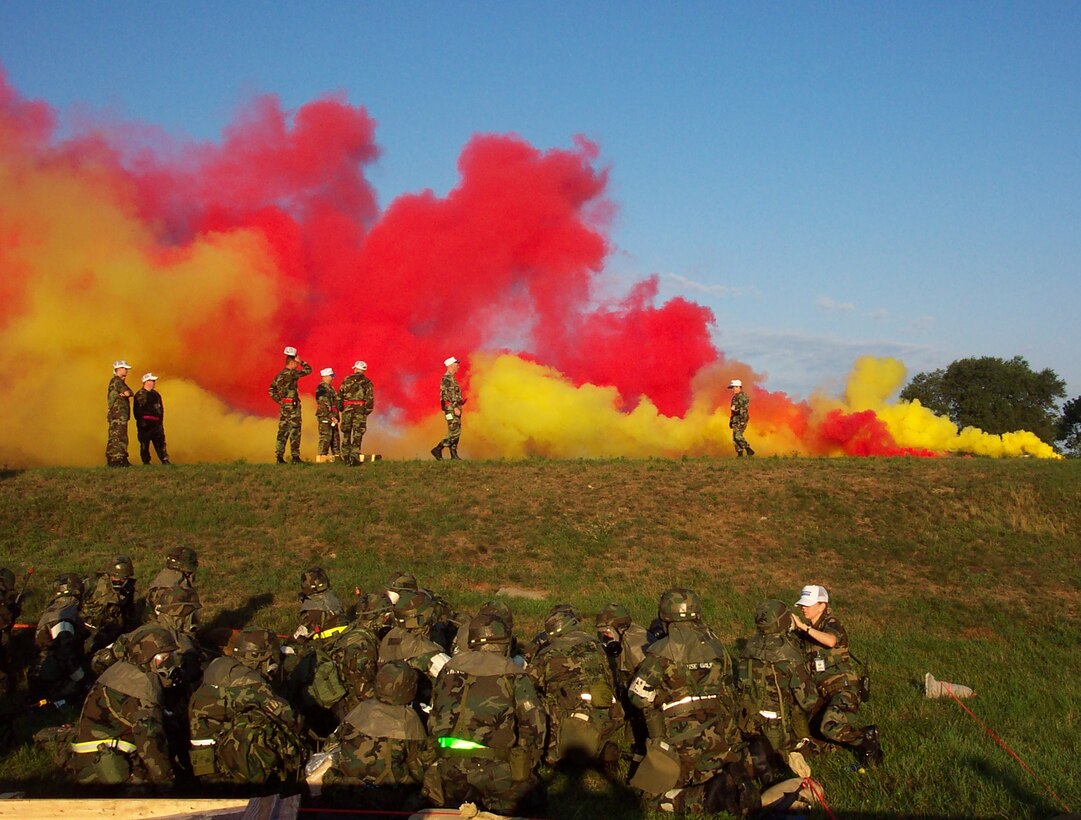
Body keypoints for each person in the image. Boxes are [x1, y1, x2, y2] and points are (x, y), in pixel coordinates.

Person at [627, 588, 756, 815]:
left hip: (681, 738)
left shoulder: (661, 653)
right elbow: (729, 689)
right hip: (719, 733)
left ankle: (714, 797)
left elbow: (637, 695)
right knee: (711, 768)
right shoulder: (717, 647)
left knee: (650, 800)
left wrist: (656, 729)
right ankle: (734, 777)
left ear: (665, 615)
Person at [421, 613, 547, 815]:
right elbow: (535, 724)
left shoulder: (448, 668)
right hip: (494, 770)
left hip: (446, 768)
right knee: (534, 796)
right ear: (503, 643)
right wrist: (526, 763)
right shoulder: (513, 673)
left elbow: (434, 713)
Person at [65, 624, 180, 785]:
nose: (170, 665)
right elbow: (150, 742)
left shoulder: (121, 668)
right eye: (164, 659)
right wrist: (166, 782)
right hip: (105, 767)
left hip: (91, 757)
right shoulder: (143, 686)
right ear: (148, 657)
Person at [188, 628, 302, 784]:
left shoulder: (219, 664)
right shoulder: (250, 681)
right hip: (225, 766)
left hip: (201, 760)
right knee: (262, 723)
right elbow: (287, 715)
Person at [316, 660, 433, 807]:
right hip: (387, 797)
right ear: (409, 688)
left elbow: (331, 743)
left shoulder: (361, 708)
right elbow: (418, 766)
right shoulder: (408, 719)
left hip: (347, 790)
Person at [790, 584, 881, 767]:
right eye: (802, 604)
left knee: (829, 726)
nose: (803, 608)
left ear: (822, 605)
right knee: (814, 739)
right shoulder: (807, 633)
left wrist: (803, 628)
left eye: (808, 604)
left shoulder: (831, 624)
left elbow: (831, 641)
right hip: (822, 694)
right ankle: (842, 747)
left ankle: (865, 738)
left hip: (844, 689)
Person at [529, 605, 624, 769]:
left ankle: (562, 753)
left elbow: (528, 683)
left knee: (536, 702)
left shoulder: (548, 654)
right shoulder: (597, 644)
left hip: (574, 719)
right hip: (610, 714)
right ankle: (601, 745)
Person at [736, 600, 818, 762]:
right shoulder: (789, 655)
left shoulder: (750, 647)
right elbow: (809, 700)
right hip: (779, 728)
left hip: (749, 720)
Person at [31, 573, 90, 703]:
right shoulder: (66, 616)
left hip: (39, 674)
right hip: (49, 679)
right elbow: (66, 655)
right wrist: (82, 680)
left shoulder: (51, 611)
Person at [82, 555, 139, 655]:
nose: (120, 581)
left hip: (112, 629)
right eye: (116, 577)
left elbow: (129, 610)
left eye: (123, 578)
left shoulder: (128, 588)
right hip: (87, 628)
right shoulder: (92, 583)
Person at [268, 345, 313, 464]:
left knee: (283, 431)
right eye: (296, 363)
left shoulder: (279, 375)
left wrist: (280, 400)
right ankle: (295, 456)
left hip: (284, 406)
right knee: (295, 430)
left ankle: (279, 456)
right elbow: (308, 370)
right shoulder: (292, 374)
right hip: (293, 407)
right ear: (292, 362)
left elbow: (271, 389)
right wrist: (302, 361)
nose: (297, 365)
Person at [338, 360, 374, 466]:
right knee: (358, 434)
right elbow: (370, 399)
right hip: (360, 410)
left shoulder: (346, 380)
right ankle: (354, 456)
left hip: (347, 409)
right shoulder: (367, 382)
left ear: (355, 369)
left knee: (346, 433)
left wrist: (342, 409)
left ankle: (345, 457)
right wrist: (365, 412)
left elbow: (339, 396)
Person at [132, 373, 170, 465]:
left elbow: (160, 409)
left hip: (156, 424)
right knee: (145, 444)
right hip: (145, 425)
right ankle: (146, 461)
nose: (154, 382)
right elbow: (137, 411)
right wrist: (142, 422)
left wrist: (160, 421)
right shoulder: (140, 394)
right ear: (146, 382)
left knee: (160, 443)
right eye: (152, 381)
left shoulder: (156, 394)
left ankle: (165, 460)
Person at [431, 356, 464, 460]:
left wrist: (460, 402)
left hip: (453, 407)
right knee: (455, 432)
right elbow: (449, 394)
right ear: (451, 365)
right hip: (451, 408)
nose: (458, 366)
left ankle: (453, 454)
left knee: (455, 430)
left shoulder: (451, 378)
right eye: (456, 364)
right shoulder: (447, 378)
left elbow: (452, 394)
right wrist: (455, 406)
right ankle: (438, 449)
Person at [106, 359, 134, 467]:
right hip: (118, 414)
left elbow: (129, 393)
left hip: (117, 414)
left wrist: (128, 393)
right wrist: (126, 393)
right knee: (119, 436)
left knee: (115, 436)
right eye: (124, 368)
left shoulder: (117, 381)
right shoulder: (117, 381)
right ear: (118, 369)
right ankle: (117, 459)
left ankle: (115, 458)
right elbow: (128, 392)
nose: (126, 371)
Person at [315, 368, 340, 462]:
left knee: (335, 438)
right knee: (326, 437)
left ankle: (337, 457)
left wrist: (336, 416)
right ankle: (322, 457)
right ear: (325, 376)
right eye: (330, 376)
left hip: (333, 417)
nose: (332, 378)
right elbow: (323, 404)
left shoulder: (331, 388)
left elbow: (335, 403)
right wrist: (331, 416)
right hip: (325, 417)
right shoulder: (321, 389)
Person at [728, 378, 755, 457]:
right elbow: (733, 410)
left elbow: (744, 408)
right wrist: (731, 420)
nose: (732, 389)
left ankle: (748, 449)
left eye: (733, 387)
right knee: (735, 438)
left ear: (738, 387)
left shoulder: (743, 397)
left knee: (738, 436)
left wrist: (738, 412)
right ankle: (740, 454)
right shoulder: (735, 397)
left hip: (741, 418)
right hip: (735, 419)